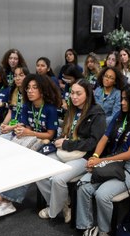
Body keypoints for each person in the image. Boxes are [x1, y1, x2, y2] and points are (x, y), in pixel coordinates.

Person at [76, 83, 130, 236]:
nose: (122, 102)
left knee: (102, 194)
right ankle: (86, 226)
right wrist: (96, 156)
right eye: (122, 98)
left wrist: (101, 161)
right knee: (83, 186)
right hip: (111, 161)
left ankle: (104, 231)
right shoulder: (119, 115)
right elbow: (104, 138)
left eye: (126, 100)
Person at [0, 74, 61, 218]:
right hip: (30, 136)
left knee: (24, 161)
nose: (30, 91)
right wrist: (14, 129)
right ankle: (5, 200)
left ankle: (0, 198)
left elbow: (50, 135)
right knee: (10, 153)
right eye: (28, 87)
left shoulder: (50, 109)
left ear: (42, 90)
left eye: (34, 88)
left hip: (45, 142)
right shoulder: (27, 105)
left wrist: (28, 132)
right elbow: (25, 125)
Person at [36, 79, 107, 223]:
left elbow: (93, 142)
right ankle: (63, 204)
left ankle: (53, 210)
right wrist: (61, 140)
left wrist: (67, 144)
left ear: (88, 94)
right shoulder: (72, 110)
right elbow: (66, 133)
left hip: (84, 157)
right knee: (39, 172)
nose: (74, 96)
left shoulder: (97, 113)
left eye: (78, 93)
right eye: (72, 93)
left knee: (58, 179)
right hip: (66, 152)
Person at [0, 64, 29, 139]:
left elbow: (28, 121)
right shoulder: (13, 91)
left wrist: (10, 127)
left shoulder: (30, 94)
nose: (17, 78)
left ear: (27, 77)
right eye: (15, 75)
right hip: (9, 125)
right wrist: (3, 125)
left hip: (20, 128)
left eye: (21, 75)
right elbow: (10, 112)